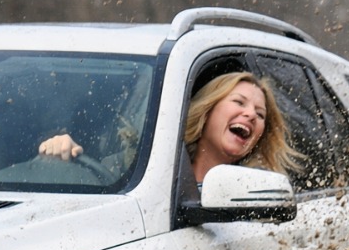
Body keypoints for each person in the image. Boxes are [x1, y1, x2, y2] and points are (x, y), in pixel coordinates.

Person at [39, 70, 296, 183]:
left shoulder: (257, 187)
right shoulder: (136, 164)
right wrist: (64, 154)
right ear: (207, 110)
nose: (250, 114)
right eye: (239, 102)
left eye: (260, 114)